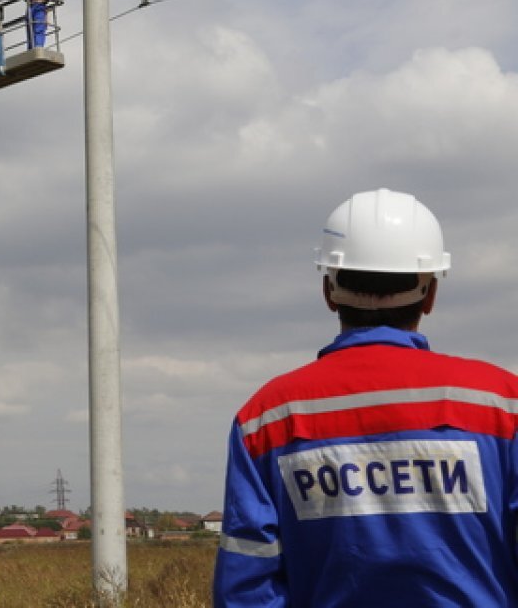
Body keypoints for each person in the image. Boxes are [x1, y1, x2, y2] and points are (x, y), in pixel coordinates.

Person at [214, 188, 518, 606]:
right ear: (430, 295)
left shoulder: (265, 420)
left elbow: (246, 587)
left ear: (328, 291)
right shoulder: (502, 404)